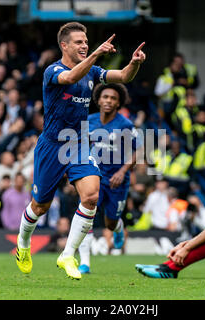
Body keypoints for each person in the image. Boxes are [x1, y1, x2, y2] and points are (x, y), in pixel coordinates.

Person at [15, 22, 146, 280]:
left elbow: (122, 76)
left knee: (90, 197)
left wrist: (135, 63)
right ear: (64, 45)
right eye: (79, 42)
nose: (85, 46)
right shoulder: (53, 70)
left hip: (78, 143)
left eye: (86, 42)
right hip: (52, 145)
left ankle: (68, 255)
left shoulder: (93, 71)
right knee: (39, 207)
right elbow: (71, 77)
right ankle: (23, 242)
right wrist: (97, 53)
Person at [77, 82, 141, 274]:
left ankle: (119, 227)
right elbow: (80, 146)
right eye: (105, 97)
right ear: (98, 99)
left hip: (116, 180)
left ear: (118, 102)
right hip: (94, 176)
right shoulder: (89, 121)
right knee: (86, 215)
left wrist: (122, 171)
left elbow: (138, 150)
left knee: (110, 222)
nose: (108, 101)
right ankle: (85, 262)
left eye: (113, 98)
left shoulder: (125, 124)